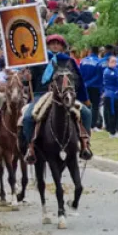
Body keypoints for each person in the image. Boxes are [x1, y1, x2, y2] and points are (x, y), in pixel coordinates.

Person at [21, 35, 92, 163]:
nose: (55, 46)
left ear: (62, 47)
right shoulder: (38, 60)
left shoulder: (69, 61)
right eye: (52, 43)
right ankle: (30, 147)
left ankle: (85, 145)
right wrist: (26, 78)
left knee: (86, 113)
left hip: (63, 95)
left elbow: (77, 80)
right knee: (27, 117)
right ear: (47, 46)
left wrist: (67, 88)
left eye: (58, 44)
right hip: (41, 94)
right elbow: (27, 82)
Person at [103, 56, 118, 138]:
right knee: (112, 113)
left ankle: (115, 131)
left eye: (115, 61)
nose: (114, 63)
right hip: (110, 94)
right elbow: (114, 82)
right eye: (112, 61)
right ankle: (112, 132)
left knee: (117, 113)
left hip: (116, 94)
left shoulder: (116, 70)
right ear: (108, 62)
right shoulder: (107, 71)